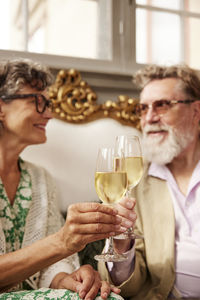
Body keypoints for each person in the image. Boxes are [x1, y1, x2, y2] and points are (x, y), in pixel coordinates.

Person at [0, 58, 129, 300]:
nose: (49, 113)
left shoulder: (40, 179)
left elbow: (50, 269)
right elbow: (59, 245)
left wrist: (68, 279)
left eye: (48, 103)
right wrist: (61, 242)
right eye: (37, 102)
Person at [98, 64, 200, 299]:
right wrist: (122, 245)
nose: (150, 118)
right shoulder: (130, 180)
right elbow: (127, 287)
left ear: (195, 111)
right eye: (143, 109)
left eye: (162, 105)